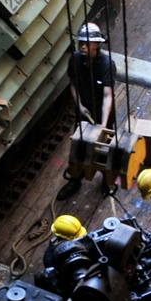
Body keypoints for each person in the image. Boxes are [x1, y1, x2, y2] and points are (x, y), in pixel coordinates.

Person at [56, 22, 117, 201]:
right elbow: (73, 84)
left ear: (96, 45)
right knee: (78, 147)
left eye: (87, 42)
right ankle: (75, 180)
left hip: (102, 114)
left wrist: (103, 127)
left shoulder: (106, 64)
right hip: (83, 113)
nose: (82, 45)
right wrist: (79, 105)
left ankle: (107, 180)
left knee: (104, 150)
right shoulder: (74, 59)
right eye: (80, 41)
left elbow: (108, 96)